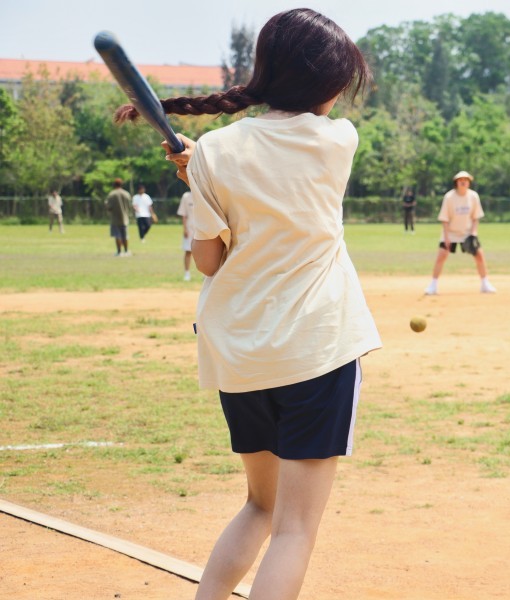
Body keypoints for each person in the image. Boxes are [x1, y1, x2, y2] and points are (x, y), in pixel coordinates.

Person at [119, 9, 382, 600]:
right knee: (295, 530)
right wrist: (205, 171)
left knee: (260, 506)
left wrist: (203, 175)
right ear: (323, 82)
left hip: (239, 355)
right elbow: (275, 168)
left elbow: (209, 261)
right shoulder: (339, 139)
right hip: (315, 350)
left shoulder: (215, 151)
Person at [424, 171, 497, 295]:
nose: (463, 182)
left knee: (479, 256)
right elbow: (444, 218)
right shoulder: (449, 197)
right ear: (456, 183)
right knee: (441, 256)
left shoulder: (473, 196)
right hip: (451, 232)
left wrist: (473, 233)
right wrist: (446, 237)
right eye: (461, 180)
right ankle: (433, 285)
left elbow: (476, 217)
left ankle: (485, 283)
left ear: (469, 183)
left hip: (467, 232)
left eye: (466, 180)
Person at [105, 178, 131, 256]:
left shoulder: (112, 194)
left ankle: (119, 252)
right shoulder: (126, 194)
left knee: (117, 235)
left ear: (114, 185)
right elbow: (130, 205)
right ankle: (126, 251)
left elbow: (109, 207)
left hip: (115, 219)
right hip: (125, 218)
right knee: (125, 236)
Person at [176, 190, 194, 281]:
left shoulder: (205, 194)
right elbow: (183, 214)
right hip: (190, 228)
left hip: (202, 229)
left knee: (204, 253)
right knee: (188, 251)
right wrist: (185, 229)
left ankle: (205, 275)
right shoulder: (186, 196)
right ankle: (187, 273)